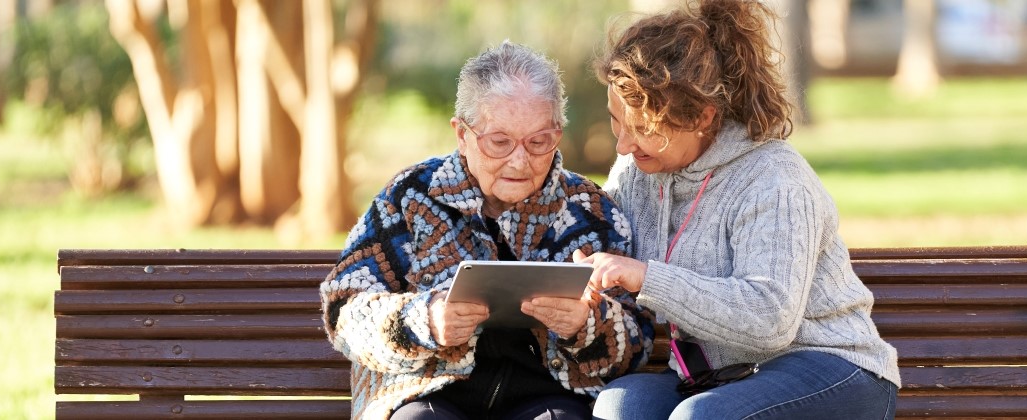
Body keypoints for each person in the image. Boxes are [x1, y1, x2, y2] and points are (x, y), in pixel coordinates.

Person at [578, 1, 901, 419]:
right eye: (616, 122)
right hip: (718, 379)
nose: (623, 144)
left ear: (703, 117)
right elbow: (596, 234)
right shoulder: (637, 172)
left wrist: (647, 278)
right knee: (621, 406)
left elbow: (770, 318)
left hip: (832, 369)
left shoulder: (773, 177)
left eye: (644, 129)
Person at [321, 41, 655, 420]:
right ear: (462, 134)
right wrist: (423, 320)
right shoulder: (410, 196)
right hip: (424, 390)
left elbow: (638, 344)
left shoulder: (589, 211)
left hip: (547, 395)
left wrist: (586, 324)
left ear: (557, 134)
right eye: (499, 142)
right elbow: (343, 311)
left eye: (538, 142)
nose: (519, 160)